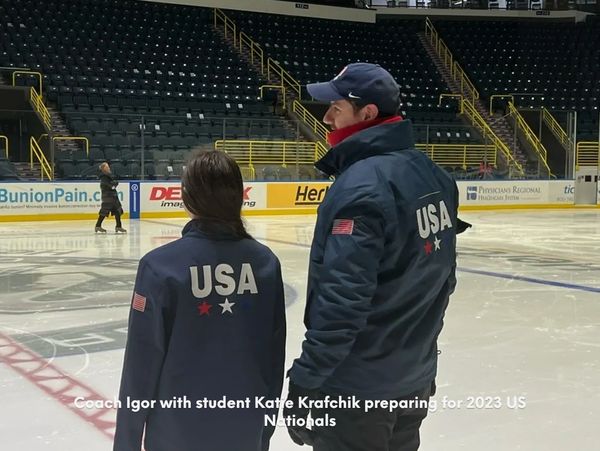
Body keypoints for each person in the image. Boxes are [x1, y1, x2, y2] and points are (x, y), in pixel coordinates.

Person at [284, 63, 462, 451]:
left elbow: (343, 302)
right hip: (412, 378)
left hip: (358, 391)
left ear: (367, 114)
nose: (326, 116)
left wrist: (307, 378)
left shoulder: (361, 189)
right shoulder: (434, 176)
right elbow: (443, 278)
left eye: (336, 106)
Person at [113, 151, 286, 451]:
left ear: (187, 198)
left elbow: (140, 366)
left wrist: (125, 444)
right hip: (245, 428)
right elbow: (274, 359)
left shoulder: (159, 267)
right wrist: (264, 429)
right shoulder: (266, 264)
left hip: (177, 433)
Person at [95, 162, 126, 233]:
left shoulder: (108, 176)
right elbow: (111, 186)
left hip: (112, 197)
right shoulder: (104, 178)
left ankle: (118, 226)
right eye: (107, 167)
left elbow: (112, 185)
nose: (109, 168)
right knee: (104, 212)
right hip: (108, 197)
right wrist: (114, 184)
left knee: (118, 211)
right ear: (104, 169)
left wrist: (114, 184)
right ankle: (98, 226)